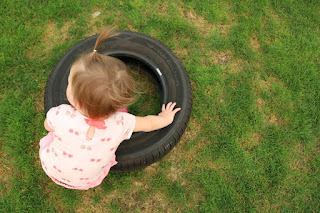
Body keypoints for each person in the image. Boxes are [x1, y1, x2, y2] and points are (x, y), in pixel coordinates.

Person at [39, 28, 181, 190]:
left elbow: (47, 126)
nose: (67, 85)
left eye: (70, 84)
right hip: (86, 181)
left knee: (52, 134)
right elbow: (149, 124)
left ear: (76, 102)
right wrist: (166, 118)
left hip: (50, 166)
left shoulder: (61, 114)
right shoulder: (122, 122)